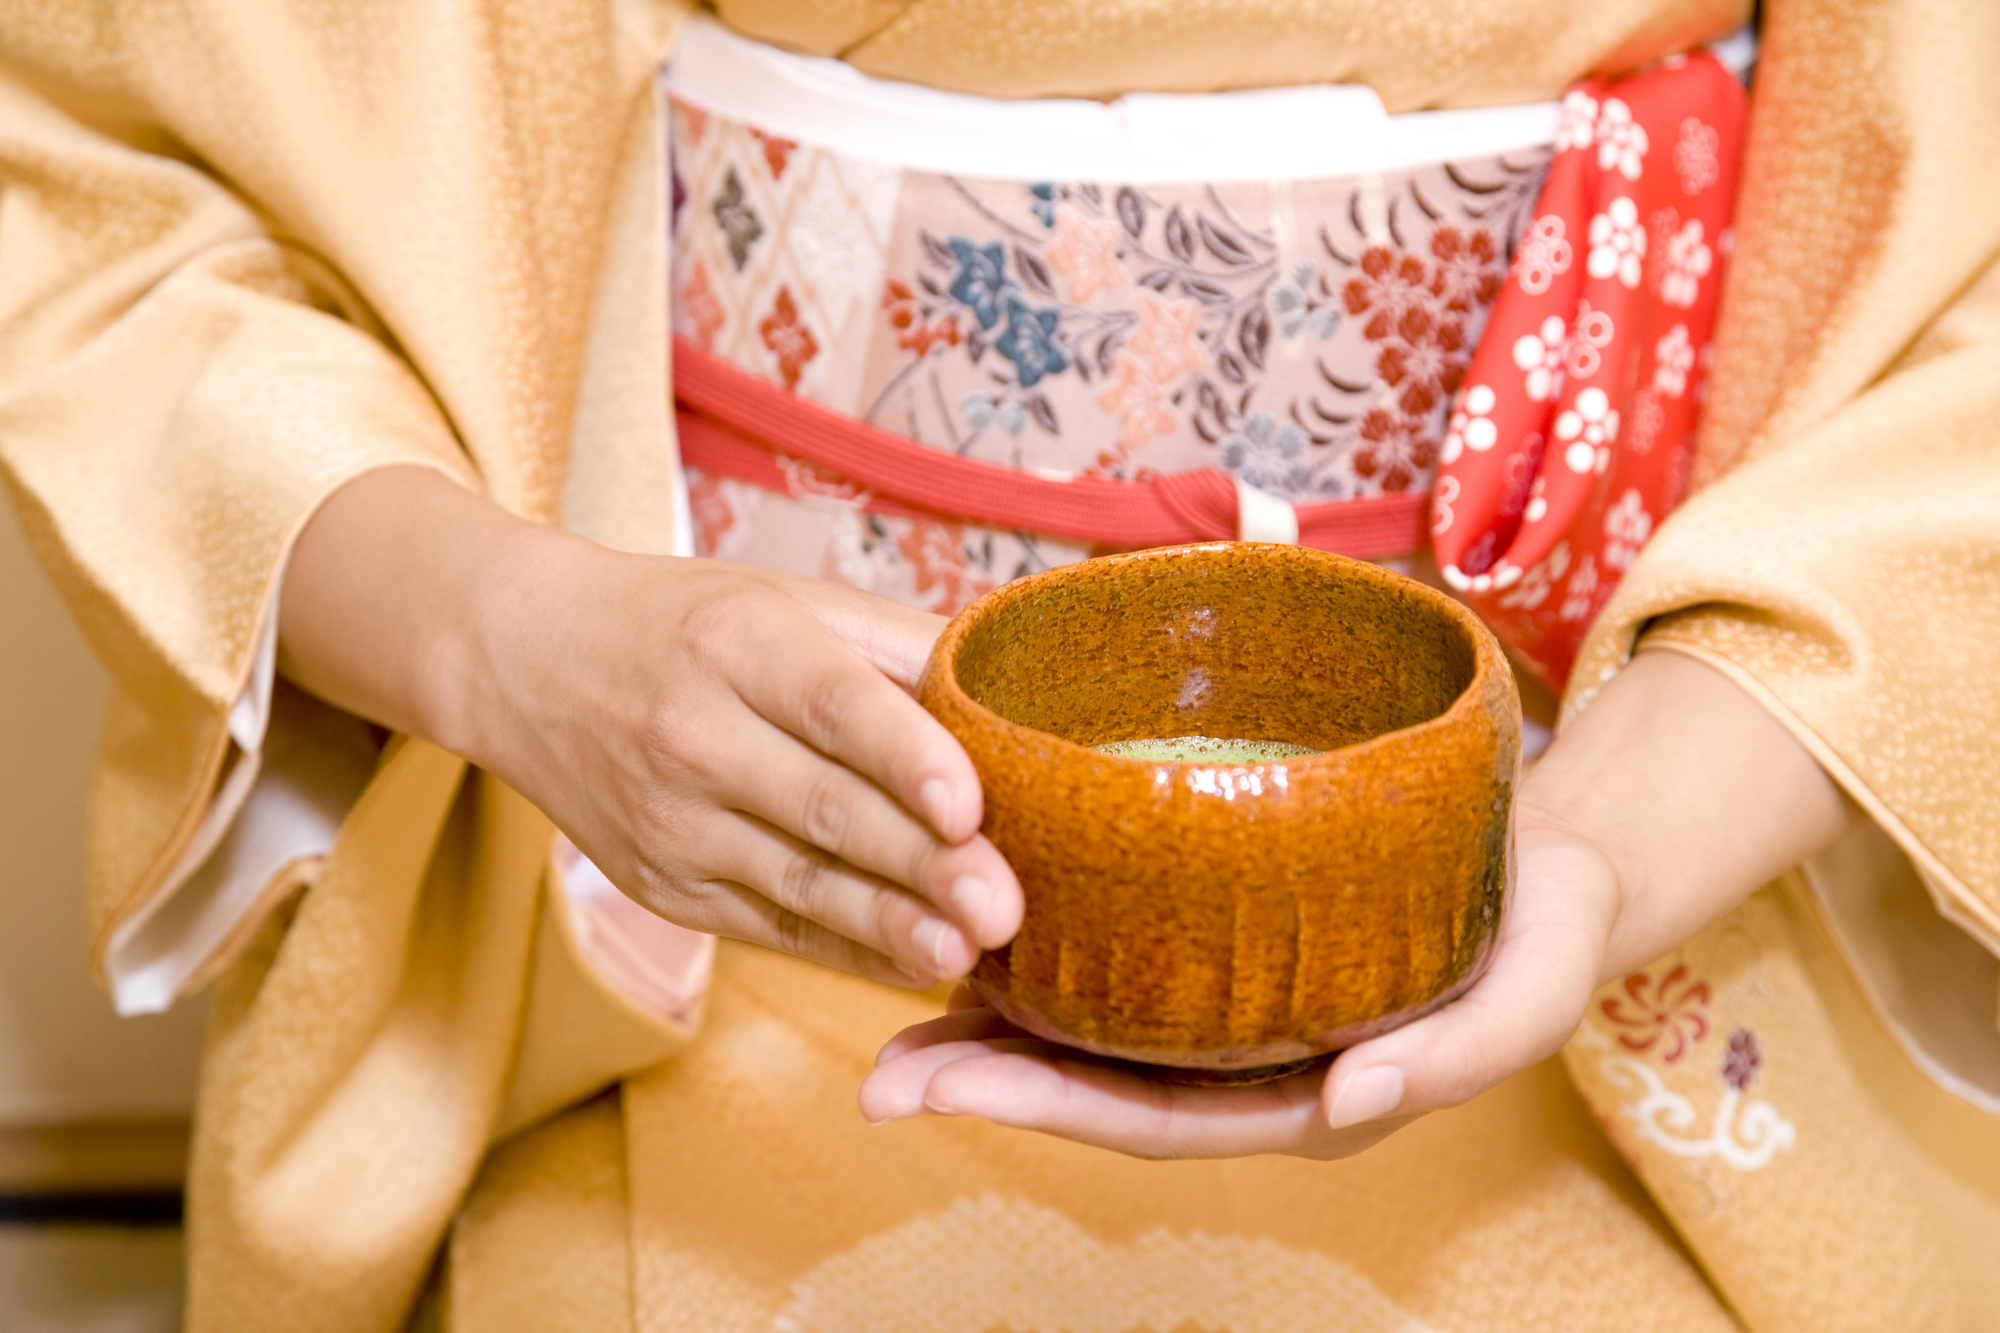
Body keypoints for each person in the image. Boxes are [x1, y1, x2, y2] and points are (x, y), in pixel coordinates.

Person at [0, 1, 1995, 1329]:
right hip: (713, 910)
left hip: (1667, 904)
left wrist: (1621, 841)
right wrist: (517, 643)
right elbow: (100, 181)